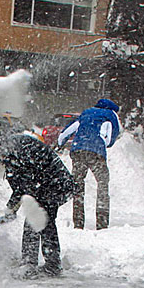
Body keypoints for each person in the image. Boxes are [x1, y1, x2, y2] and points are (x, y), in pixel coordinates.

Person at [0, 117, 75, 277]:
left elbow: (24, 186)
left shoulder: (16, 153)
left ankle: (37, 264)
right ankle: (43, 263)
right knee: (41, 222)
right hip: (50, 184)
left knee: (39, 222)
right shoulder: (14, 149)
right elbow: (22, 186)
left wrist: (11, 209)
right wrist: (12, 208)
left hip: (54, 185)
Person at [56, 98, 120, 230]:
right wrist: (102, 144)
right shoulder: (111, 115)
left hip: (78, 151)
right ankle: (102, 223)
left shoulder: (86, 113)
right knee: (102, 184)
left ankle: (78, 223)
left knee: (78, 186)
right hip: (96, 153)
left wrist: (60, 144)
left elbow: (65, 133)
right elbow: (112, 137)